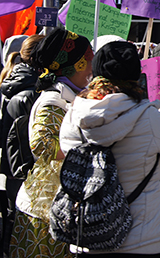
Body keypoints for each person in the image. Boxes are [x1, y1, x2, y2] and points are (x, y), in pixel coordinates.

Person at [59, 41, 160, 256]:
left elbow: (68, 155)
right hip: (141, 238)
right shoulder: (150, 118)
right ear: (136, 75)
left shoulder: (74, 113)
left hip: (89, 231)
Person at [9, 28, 93, 258]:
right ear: (74, 66)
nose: (91, 70)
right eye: (88, 62)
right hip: (45, 209)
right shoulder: (54, 100)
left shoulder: (69, 95)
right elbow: (41, 145)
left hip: (59, 206)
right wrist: (85, 148)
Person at [0, 34, 43, 254]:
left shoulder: (13, 81)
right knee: (19, 221)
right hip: (25, 169)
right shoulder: (31, 92)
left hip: (11, 166)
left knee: (11, 218)